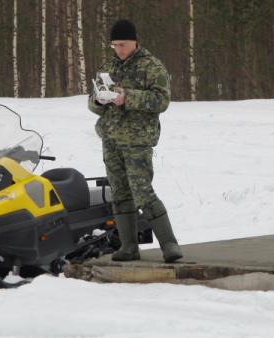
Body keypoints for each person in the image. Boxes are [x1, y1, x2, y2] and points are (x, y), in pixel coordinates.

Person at [87, 19, 182, 263]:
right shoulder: (107, 67)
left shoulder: (152, 66)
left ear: (135, 41)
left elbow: (161, 100)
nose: (119, 49)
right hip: (111, 139)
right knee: (120, 193)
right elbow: (92, 103)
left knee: (143, 193)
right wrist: (100, 100)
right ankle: (129, 247)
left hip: (137, 141)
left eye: (123, 44)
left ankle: (170, 244)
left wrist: (127, 98)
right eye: (115, 45)